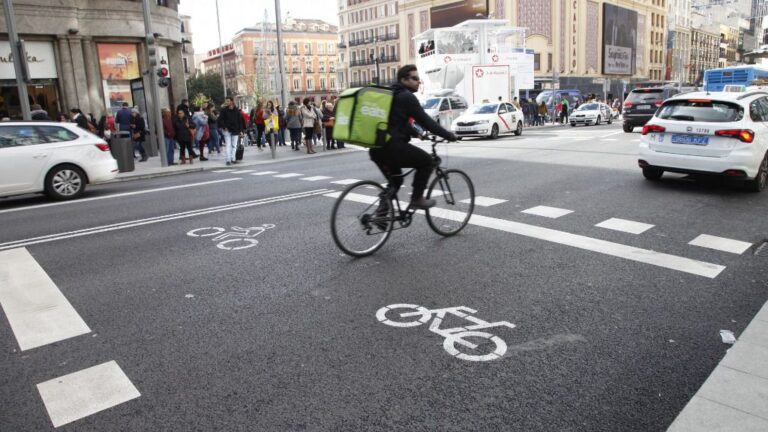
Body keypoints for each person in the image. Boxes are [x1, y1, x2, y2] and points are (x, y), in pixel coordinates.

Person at [370, 64, 457, 210]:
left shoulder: (391, 95)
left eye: (419, 79)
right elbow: (427, 121)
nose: (419, 81)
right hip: (393, 149)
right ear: (404, 79)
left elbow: (397, 123)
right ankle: (417, 198)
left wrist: (418, 133)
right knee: (427, 162)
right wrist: (448, 135)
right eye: (415, 78)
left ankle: (380, 215)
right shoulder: (406, 97)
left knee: (396, 182)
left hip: (377, 149)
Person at [218, 96, 245, 166]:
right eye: (226, 101)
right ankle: (228, 160)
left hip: (235, 130)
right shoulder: (223, 110)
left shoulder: (237, 111)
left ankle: (233, 159)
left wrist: (241, 131)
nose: (226, 102)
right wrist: (224, 127)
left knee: (234, 145)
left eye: (228, 101)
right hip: (227, 130)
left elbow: (240, 121)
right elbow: (220, 120)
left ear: (231, 101)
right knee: (228, 145)